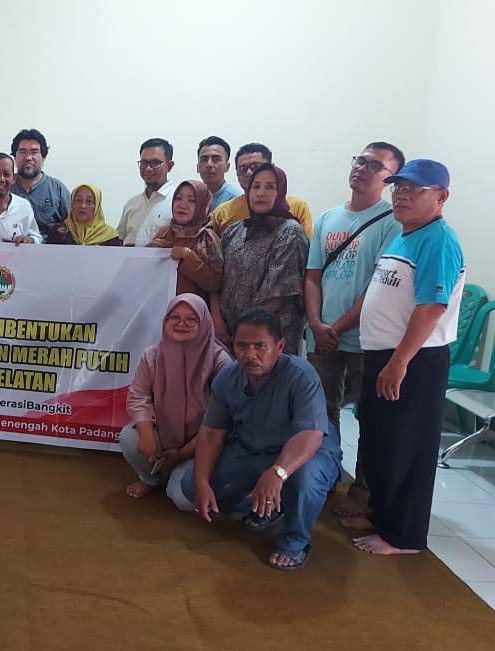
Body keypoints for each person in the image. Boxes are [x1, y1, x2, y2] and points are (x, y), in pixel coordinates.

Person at [345, 159, 465, 556]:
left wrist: (399, 361)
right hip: (384, 354)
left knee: (407, 448)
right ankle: (380, 515)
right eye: (398, 187)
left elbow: (431, 307)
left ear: (441, 196)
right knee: (380, 441)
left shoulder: (439, 240)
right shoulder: (404, 235)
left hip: (414, 360)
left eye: (414, 189)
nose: (402, 195)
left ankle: (403, 536)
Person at [181, 308, 342, 571]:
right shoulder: (227, 378)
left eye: (260, 346)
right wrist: (201, 481)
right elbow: (211, 433)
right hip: (254, 450)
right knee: (190, 485)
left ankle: (294, 542)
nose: (250, 354)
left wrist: (277, 473)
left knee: (304, 481)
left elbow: (310, 435)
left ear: (280, 346)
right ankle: (269, 507)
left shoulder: (301, 375)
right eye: (242, 346)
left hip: (307, 454)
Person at [304, 143, 403, 515]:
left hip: (367, 339)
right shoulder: (328, 218)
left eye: (375, 165)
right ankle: (325, 474)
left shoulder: (392, 222)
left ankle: (363, 492)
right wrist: (316, 324)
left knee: (369, 418)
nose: (362, 168)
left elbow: (379, 284)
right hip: (322, 336)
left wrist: (337, 326)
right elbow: (312, 276)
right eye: (360, 160)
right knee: (320, 412)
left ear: (390, 179)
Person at [118, 294, 232, 507]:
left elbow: (221, 420)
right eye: (175, 317)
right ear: (166, 321)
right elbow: (138, 396)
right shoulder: (152, 355)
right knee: (129, 438)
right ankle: (151, 478)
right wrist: (146, 434)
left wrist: (180, 455)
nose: (181, 324)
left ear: (204, 322)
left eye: (191, 319)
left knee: (183, 500)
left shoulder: (220, 361)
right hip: (165, 434)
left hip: (202, 443)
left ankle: (177, 474)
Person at [215, 164, 308, 354]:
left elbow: (277, 295)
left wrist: (243, 331)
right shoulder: (234, 231)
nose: (260, 193)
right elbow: (217, 279)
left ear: (281, 192)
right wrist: (219, 323)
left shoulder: (290, 232)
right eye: (255, 186)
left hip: (270, 341)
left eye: (270, 187)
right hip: (230, 339)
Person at [211, 143, 313, 237]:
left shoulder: (297, 207)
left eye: (255, 167)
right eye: (242, 169)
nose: (249, 173)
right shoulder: (222, 213)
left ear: (272, 168)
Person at [148, 180, 224, 305]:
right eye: (178, 198)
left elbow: (216, 283)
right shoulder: (165, 232)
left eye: (191, 200)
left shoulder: (207, 238)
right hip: (160, 306)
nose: (182, 205)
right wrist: (150, 252)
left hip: (191, 311)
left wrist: (189, 257)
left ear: (202, 206)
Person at [10, 128, 70, 239]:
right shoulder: (4, 187)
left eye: (34, 152)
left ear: (43, 156)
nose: (28, 158)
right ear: (14, 156)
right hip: (9, 246)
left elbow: (72, 226)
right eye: (22, 152)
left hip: (48, 248)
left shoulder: (58, 189)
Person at [116, 138, 177, 246]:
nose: (148, 168)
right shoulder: (131, 204)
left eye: (155, 163)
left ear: (169, 166)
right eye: (144, 163)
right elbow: (120, 240)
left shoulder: (178, 201)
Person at [47, 183, 121, 246]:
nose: (83, 206)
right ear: (72, 204)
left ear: (97, 207)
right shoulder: (58, 232)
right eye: (79, 200)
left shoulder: (110, 237)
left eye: (89, 201)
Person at [196, 136, 242, 209]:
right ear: (198, 167)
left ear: (227, 166)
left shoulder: (237, 200)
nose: (209, 164)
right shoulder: (191, 198)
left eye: (216, 159)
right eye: (204, 159)